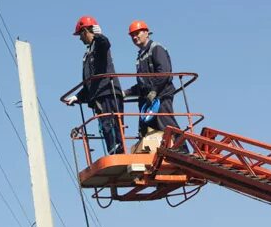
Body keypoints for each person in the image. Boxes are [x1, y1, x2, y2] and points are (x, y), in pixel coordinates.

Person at [64, 16, 125, 155]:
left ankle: (117, 151)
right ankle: (114, 151)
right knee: (105, 125)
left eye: (80, 34)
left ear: (86, 31)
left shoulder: (99, 45)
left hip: (108, 92)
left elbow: (106, 44)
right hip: (99, 95)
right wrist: (77, 97)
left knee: (111, 124)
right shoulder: (88, 52)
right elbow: (90, 81)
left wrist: (99, 35)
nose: (80, 38)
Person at [124, 20, 187, 151]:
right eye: (132, 35)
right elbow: (143, 83)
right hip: (148, 101)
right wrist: (126, 93)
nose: (135, 37)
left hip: (161, 96)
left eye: (137, 33)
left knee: (166, 124)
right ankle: (154, 154)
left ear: (146, 33)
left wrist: (154, 91)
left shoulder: (156, 49)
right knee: (145, 130)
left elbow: (164, 72)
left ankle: (183, 151)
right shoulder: (140, 56)